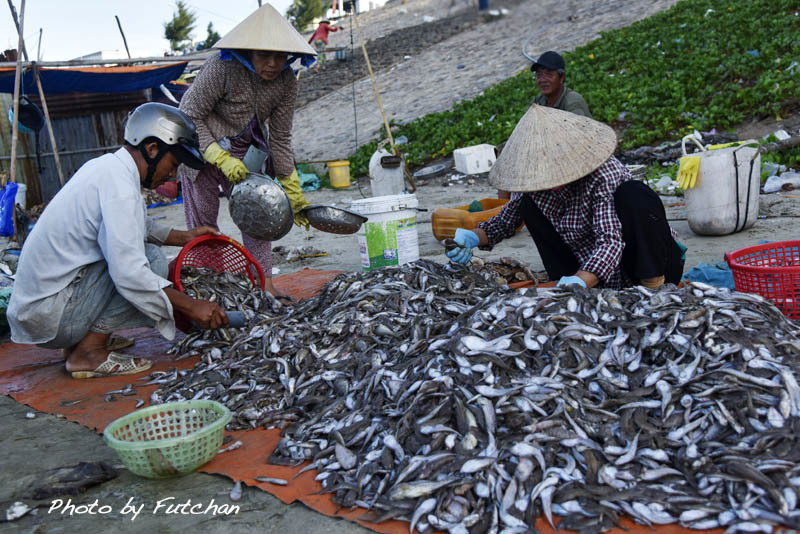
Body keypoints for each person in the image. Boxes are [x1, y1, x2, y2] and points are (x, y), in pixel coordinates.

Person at [8, 103, 229, 379]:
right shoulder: (120, 187)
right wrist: (190, 305)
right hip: (50, 317)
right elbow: (129, 273)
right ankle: (87, 352)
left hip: (41, 311)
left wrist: (183, 236)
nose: (173, 175)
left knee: (134, 254)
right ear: (151, 149)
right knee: (150, 261)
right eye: (173, 164)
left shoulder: (108, 168)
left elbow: (134, 223)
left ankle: (81, 341)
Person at [448, 105, 685, 290]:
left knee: (634, 194)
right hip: (586, 269)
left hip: (641, 263)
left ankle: (653, 288)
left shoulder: (603, 173)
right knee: (529, 206)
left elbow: (610, 240)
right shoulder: (532, 179)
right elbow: (504, 223)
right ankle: (570, 286)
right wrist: (471, 238)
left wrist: (583, 280)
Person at [178, 4, 317, 300]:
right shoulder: (221, 68)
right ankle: (211, 289)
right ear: (247, 52)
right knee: (204, 225)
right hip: (201, 149)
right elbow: (189, 114)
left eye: (280, 56)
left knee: (259, 215)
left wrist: (292, 188)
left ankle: (264, 284)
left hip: (247, 151)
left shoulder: (286, 82)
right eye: (264, 55)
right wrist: (217, 155)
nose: (272, 64)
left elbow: (280, 137)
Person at [497, 50, 592, 200]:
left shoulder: (572, 101)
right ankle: (502, 210)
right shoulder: (539, 101)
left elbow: (579, 141)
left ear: (561, 78)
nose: (543, 79)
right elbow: (526, 131)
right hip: (545, 154)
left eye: (549, 74)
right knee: (506, 152)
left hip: (571, 159)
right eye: (539, 75)